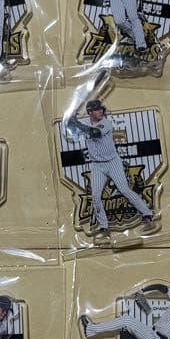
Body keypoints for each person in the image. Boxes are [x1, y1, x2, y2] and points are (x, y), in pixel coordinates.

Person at [64, 98, 153, 236]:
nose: (100, 111)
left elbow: (94, 132)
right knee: (95, 196)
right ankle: (103, 226)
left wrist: (76, 122)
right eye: (96, 110)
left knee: (124, 190)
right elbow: (71, 131)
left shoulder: (106, 123)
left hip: (113, 162)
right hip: (97, 165)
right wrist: (70, 118)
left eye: (100, 109)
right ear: (90, 112)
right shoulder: (85, 122)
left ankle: (147, 213)